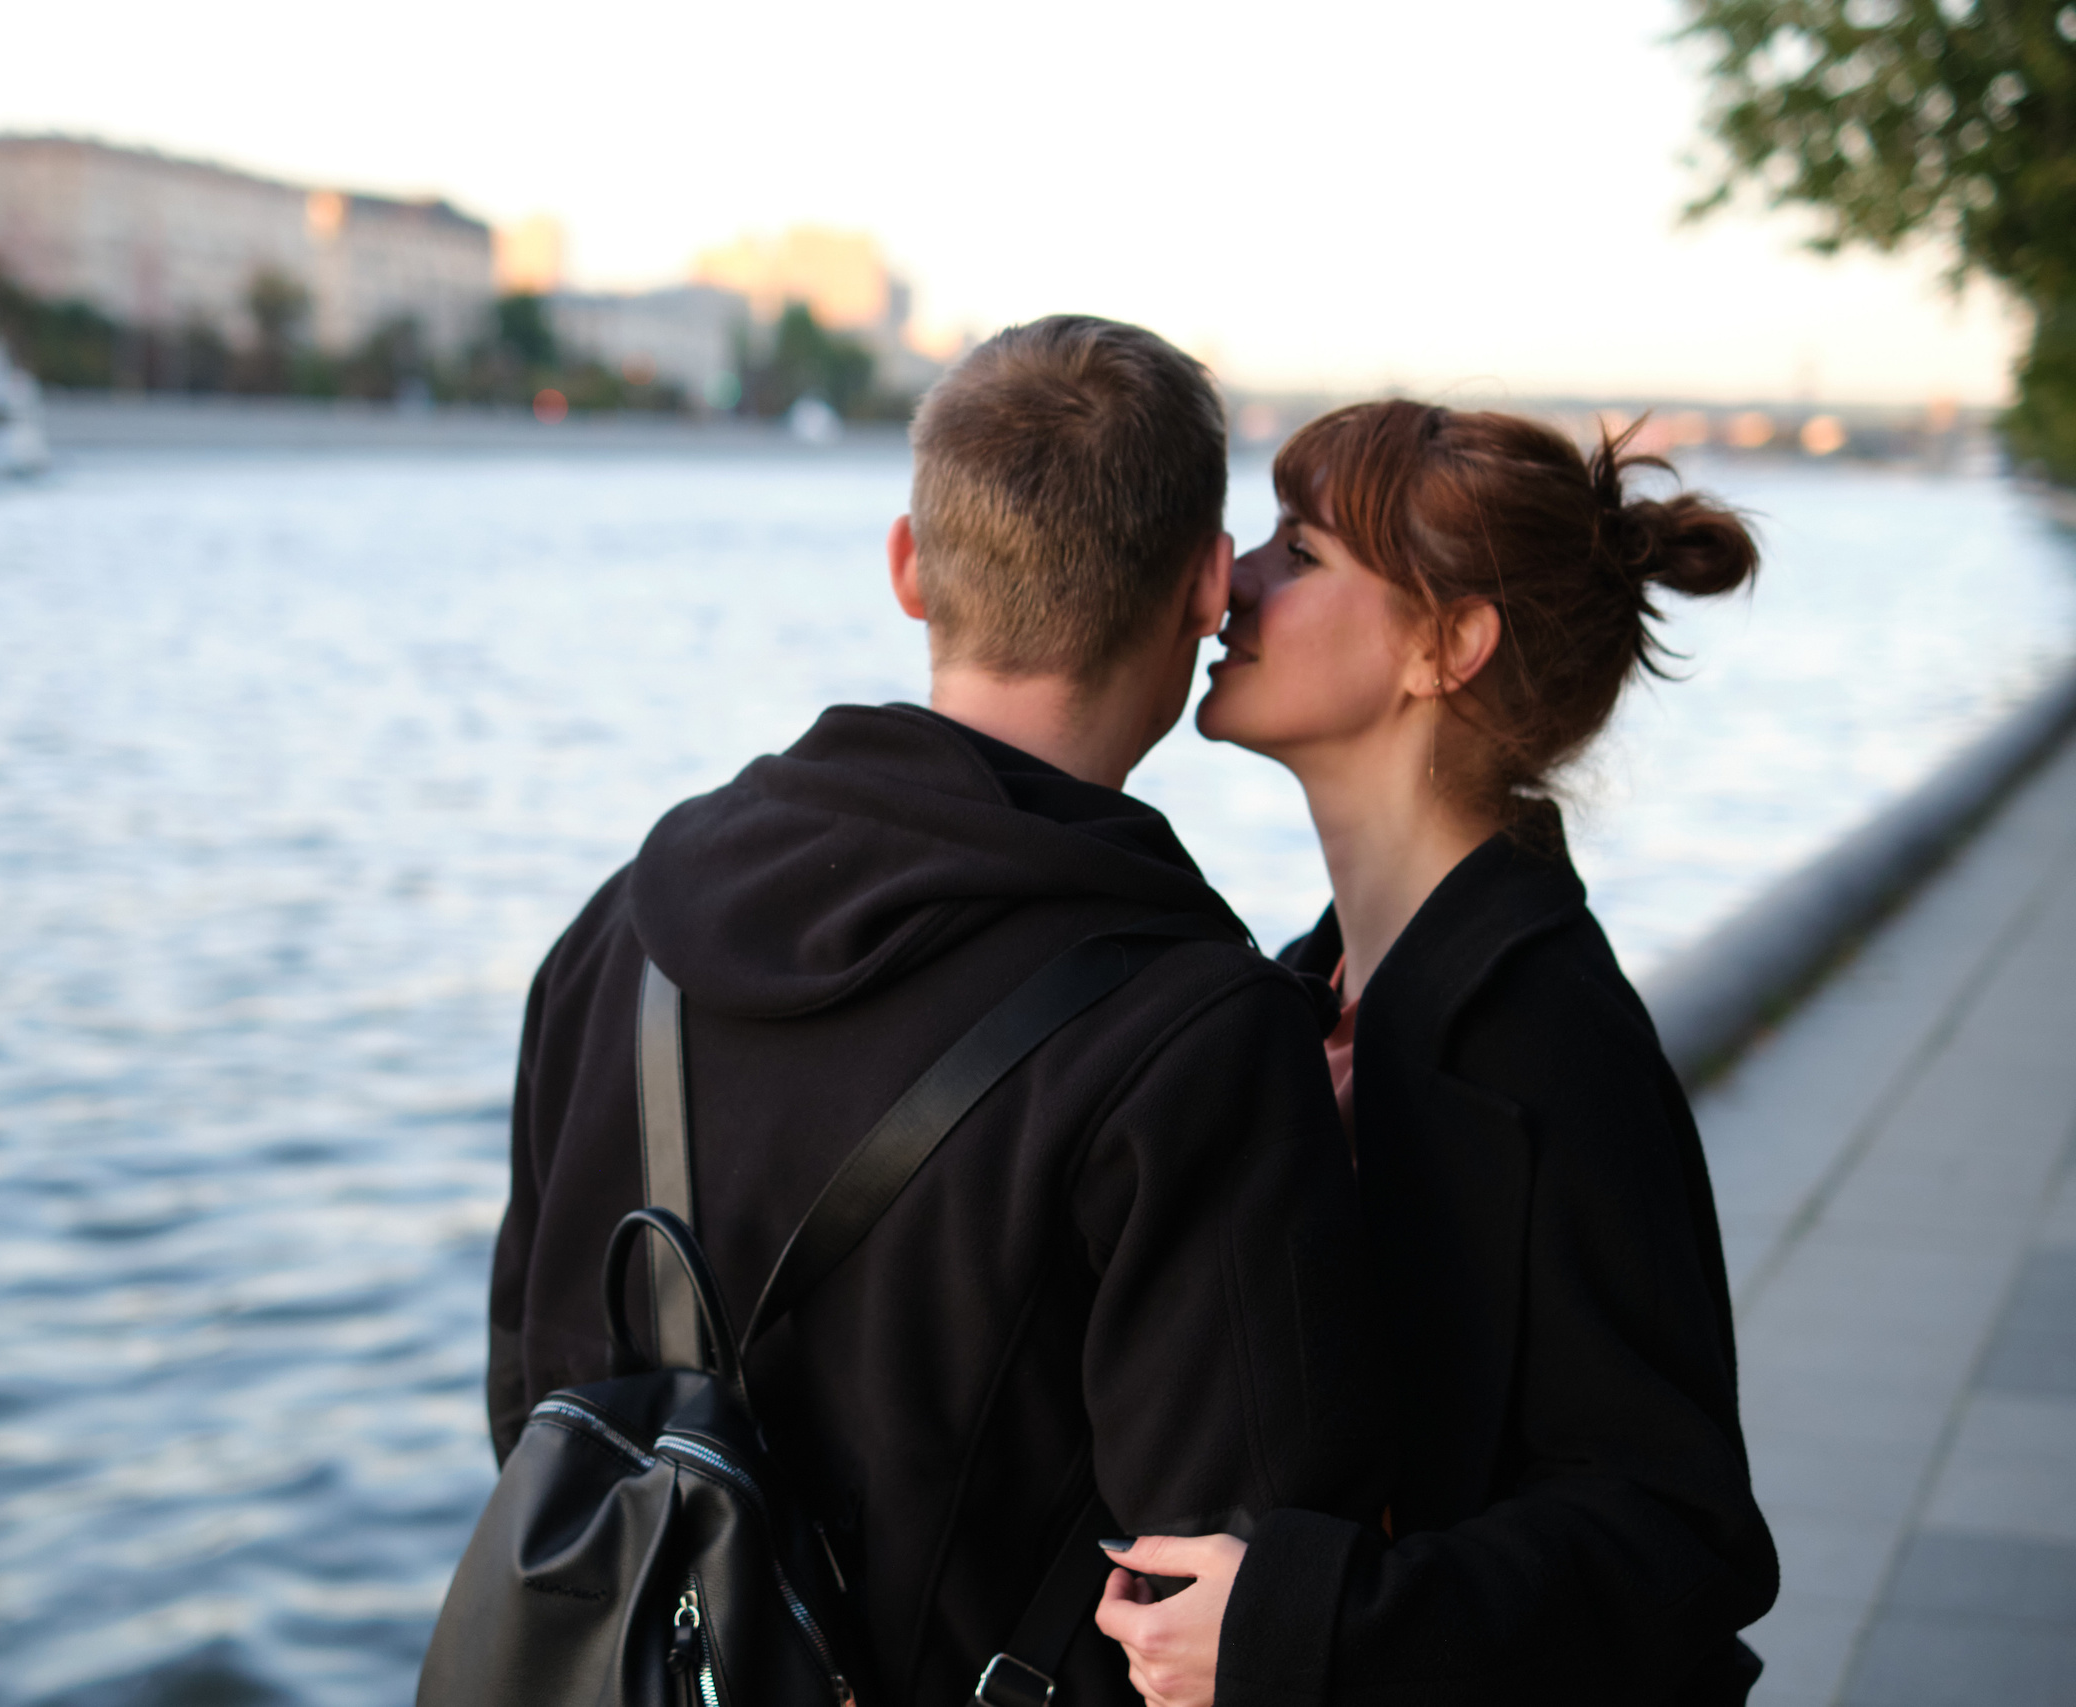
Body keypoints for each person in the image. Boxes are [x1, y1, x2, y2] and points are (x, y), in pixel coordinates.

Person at [488, 318, 1391, 1705]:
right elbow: (1231, 1594)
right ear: (1209, 586)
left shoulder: (620, 934)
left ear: (910, 568)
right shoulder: (1196, 1037)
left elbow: (533, 1407)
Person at [1095, 401, 1779, 1706]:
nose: (1230, 580)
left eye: (1300, 554)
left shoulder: (1547, 1039)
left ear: (1446, 645)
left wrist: (1309, 1623)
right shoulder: (1317, 998)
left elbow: (1676, 1534)